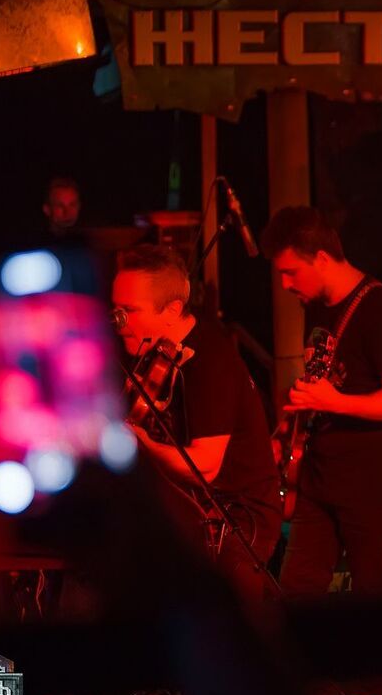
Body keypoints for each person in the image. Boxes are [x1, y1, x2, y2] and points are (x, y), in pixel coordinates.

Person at [261, 206, 382, 695]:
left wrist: (333, 400)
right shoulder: (319, 310)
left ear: (322, 258)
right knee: (297, 594)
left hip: (372, 481)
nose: (285, 284)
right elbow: (331, 382)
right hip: (321, 477)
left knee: (372, 596)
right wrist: (300, 412)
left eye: (291, 272)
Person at [112, 245, 282, 604]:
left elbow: (203, 466)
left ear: (172, 310)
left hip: (235, 518)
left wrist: (140, 442)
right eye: (116, 310)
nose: (118, 321)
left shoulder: (210, 362)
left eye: (129, 311)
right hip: (187, 513)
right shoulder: (153, 354)